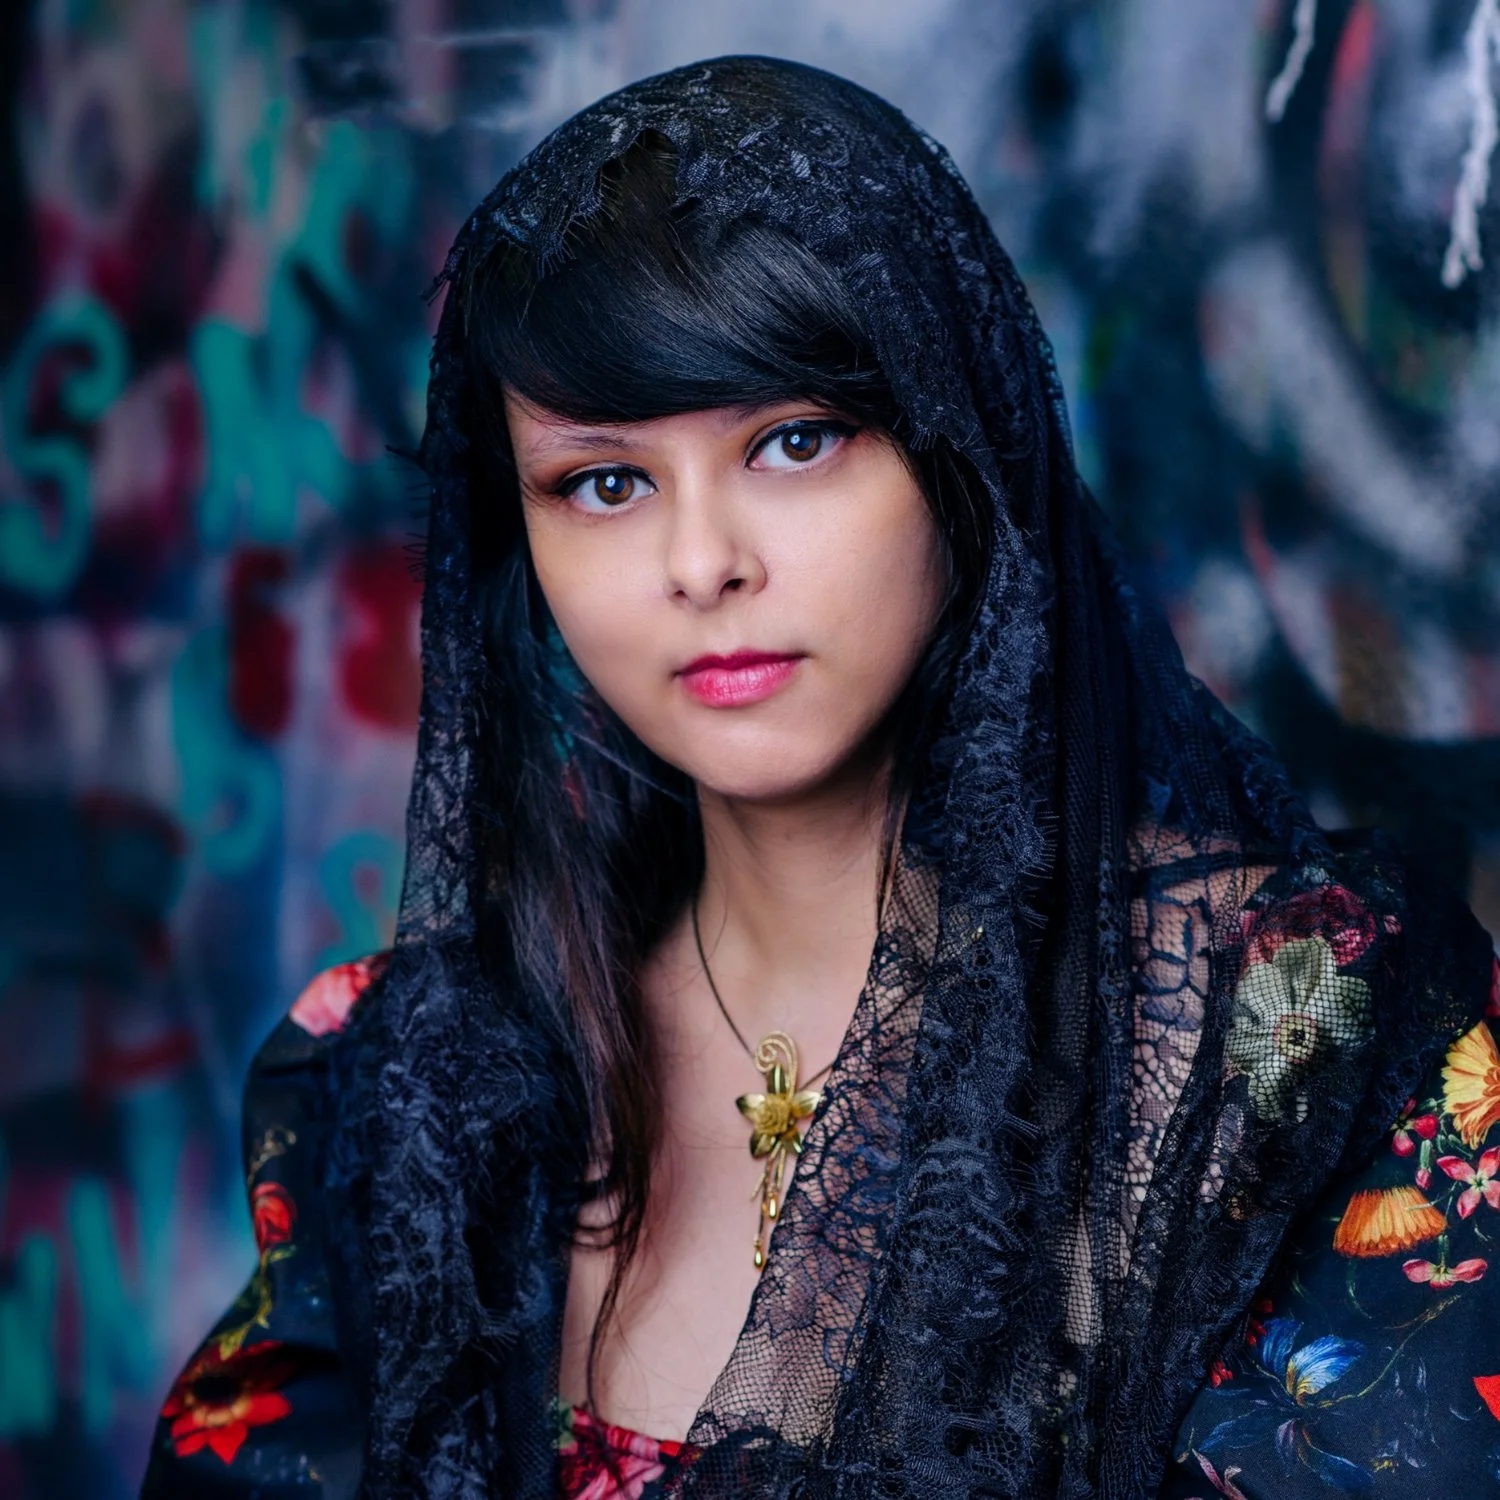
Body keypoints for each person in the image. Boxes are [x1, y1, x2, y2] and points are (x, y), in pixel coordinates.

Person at [140, 57, 1496, 1500]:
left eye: (794, 442)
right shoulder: (419, 1084)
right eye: (603, 482)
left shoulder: (1302, 1046)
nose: (701, 561)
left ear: (958, 457)